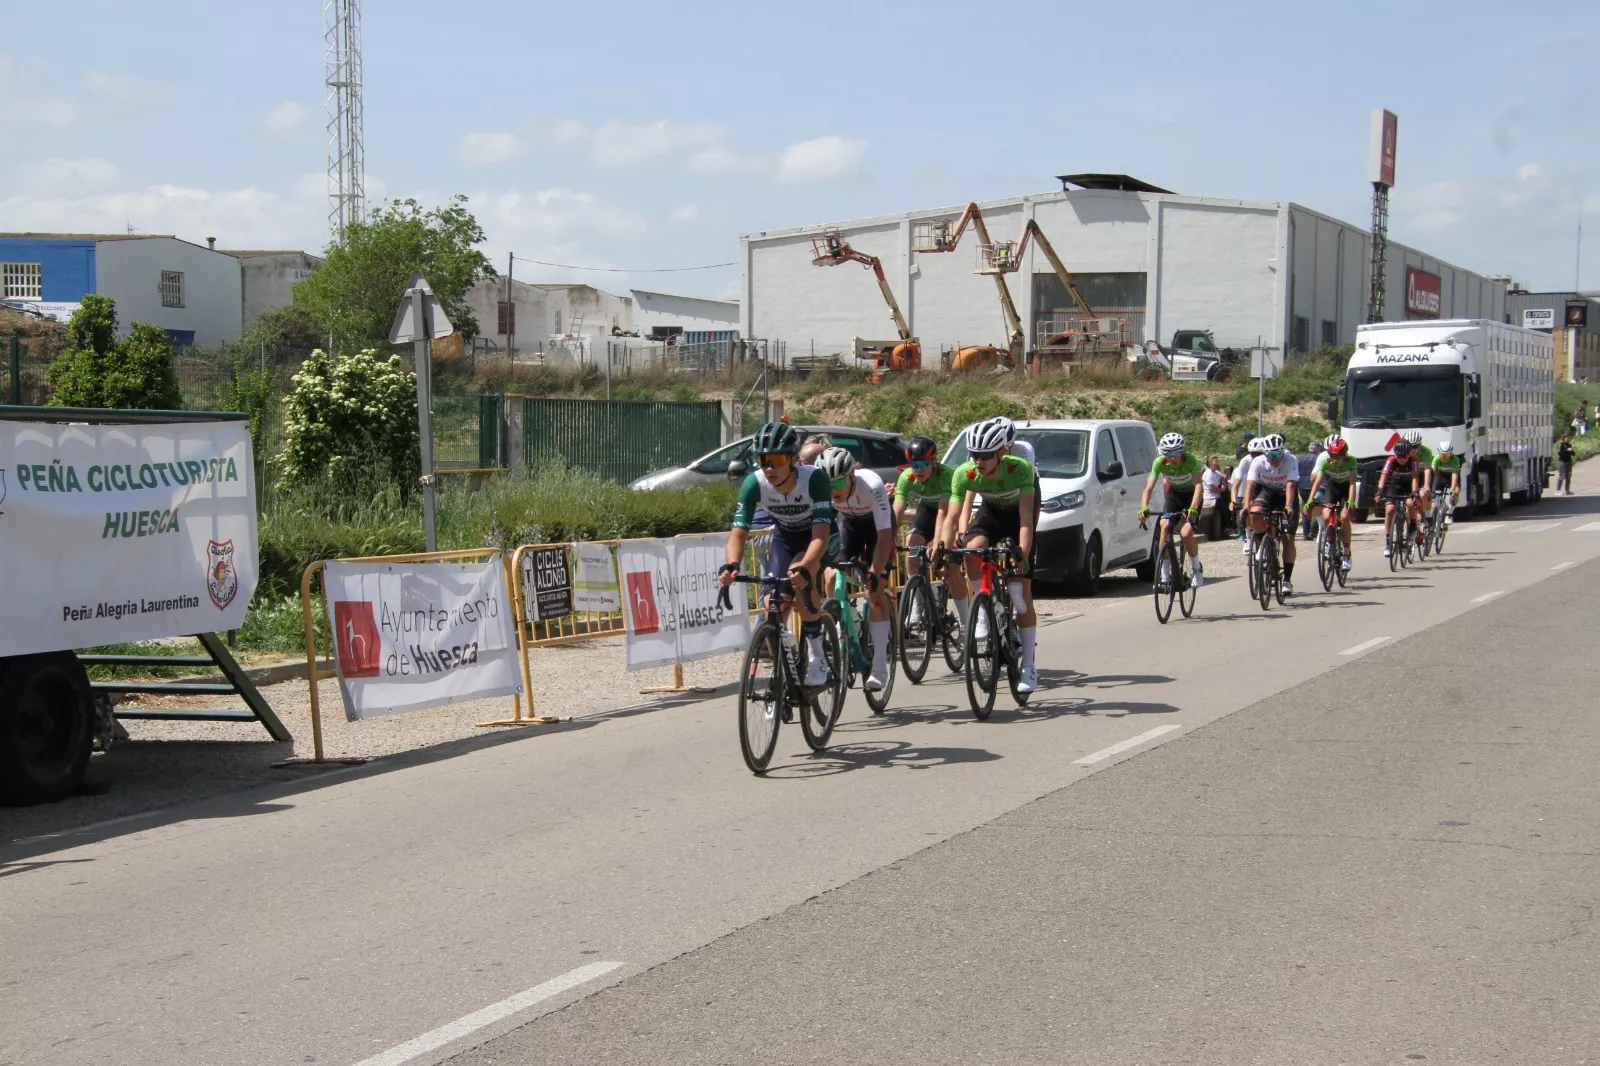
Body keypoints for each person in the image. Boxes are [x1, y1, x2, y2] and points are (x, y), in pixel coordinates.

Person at [719, 422, 834, 686]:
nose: (769, 468)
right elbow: (738, 533)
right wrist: (732, 564)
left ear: (793, 459)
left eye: (776, 459)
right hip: (785, 535)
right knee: (773, 601)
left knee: (799, 575)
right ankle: (786, 668)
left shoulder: (814, 479)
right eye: (763, 460)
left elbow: (821, 535)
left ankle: (818, 656)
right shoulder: (754, 483)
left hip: (817, 536)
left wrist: (806, 564)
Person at [945, 418, 1039, 693]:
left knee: (1020, 597)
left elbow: (1025, 518)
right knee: (971, 551)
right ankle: (983, 610)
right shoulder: (965, 473)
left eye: (985, 455)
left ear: (1002, 452)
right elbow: (952, 516)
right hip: (991, 512)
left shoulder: (1019, 469)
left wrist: (1021, 554)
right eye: (974, 455)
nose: (979, 461)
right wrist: (945, 544)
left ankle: (1029, 668)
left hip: (1018, 516)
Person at [815, 445, 896, 692]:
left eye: (838, 485)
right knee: (830, 578)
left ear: (852, 476)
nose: (833, 492)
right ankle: (846, 621)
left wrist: (874, 571)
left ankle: (880, 666)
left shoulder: (871, 485)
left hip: (876, 528)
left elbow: (884, 538)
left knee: (874, 592)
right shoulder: (824, 490)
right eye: (828, 486)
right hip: (848, 523)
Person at [893, 435, 967, 628]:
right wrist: (889, 539)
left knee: (949, 568)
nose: (918, 469)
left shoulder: (945, 475)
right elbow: (897, 511)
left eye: (924, 463)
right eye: (913, 464)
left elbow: (943, 513)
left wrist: (937, 545)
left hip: (950, 512)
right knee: (912, 545)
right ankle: (920, 606)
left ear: (934, 462)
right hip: (927, 509)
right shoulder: (906, 477)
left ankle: (967, 620)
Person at [1137, 432, 1206, 588]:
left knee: (1186, 533)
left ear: (1181, 452)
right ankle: (1164, 574)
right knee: (1164, 525)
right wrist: (1143, 507)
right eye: (1168, 453)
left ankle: (1196, 568)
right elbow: (1148, 488)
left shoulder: (1191, 460)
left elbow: (1198, 487)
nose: (1172, 458)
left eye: (1175, 453)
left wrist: (1193, 509)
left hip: (1192, 497)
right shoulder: (1159, 462)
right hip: (1174, 496)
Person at [1241, 432, 1299, 596]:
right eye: (1271, 454)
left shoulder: (1291, 460)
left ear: (1283, 451)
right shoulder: (1258, 461)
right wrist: (1246, 506)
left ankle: (1287, 580)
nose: (1275, 457)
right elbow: (1250, 485)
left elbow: (1291, 485)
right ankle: (1264, 542)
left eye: (1278, 453)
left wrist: (1288, 505)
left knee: (1288, 538)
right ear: (1265, 453)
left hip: (1285, 494)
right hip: (1266, 491)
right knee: (1255, 512)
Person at [1303, 434, 1357, 573]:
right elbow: (1318, 481)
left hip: (1346, 489)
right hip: (1332, 487)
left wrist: (1351, 500)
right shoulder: (1326, 461)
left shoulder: (1351, 461)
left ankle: (1346, 552)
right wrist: (1311, 499)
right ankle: (1329, 540)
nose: (1335, 460)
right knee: (1326, 515)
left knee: (1344, 517)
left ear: (1345, 455)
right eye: (1333, 456)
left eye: (1338, 457)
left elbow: (1352, 483)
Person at [1377, 437, 1424, 558]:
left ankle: (1412, 524)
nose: (1402, 459)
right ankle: (1388, 542)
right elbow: (1384, 475)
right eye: (1400, 456)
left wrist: (1414, 492)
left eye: (1405, 456)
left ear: (1409, 454)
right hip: (1395, 485)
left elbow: (1415, 478)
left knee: (1409, 503)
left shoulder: (1414, 461)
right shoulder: (1391, 460)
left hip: (1408, 486)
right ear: (1396, 454)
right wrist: (1379, 491)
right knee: (1390, 510)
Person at [1231, 438, 1266, 552]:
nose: (1255, 456)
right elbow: (1235, 485)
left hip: (1266, 487)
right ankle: (1249, 536)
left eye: (1258, 454)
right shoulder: (1246, 460)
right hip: (1252, 488)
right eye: (1252, 454)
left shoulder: (1268, 459)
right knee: (1246, 508)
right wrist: (1233, 500)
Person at [1426, 439, 1463, 519]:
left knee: (1456, 491)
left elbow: (1455, 474)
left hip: (1451, 475)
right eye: (1443, 455)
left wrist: (1452, 489)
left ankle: (1450, 513)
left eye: (1447, 455)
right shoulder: (1436, 459)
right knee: (1433, 494)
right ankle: (1432, 515)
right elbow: (1433, 472)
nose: (1445, 457)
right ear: (1439, 454)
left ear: (1451, 453)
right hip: (1440, 475)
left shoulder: (1455, 459)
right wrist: (1430, 486)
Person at [1297, 439, 1323, 539]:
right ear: (1318, 448)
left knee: (1305, 507)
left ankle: (1305, 533)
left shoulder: (1300, 458)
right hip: (1315, 486)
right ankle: (1313, 531)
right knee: (1316, 507)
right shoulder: (1319, 458)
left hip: (1302, 487)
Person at [1201, 456, 1226, 540]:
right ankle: (1227, 526)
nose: (1217, 463)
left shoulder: (1216, 472)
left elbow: (1224, 478)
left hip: (1216, 496)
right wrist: (1221, 489)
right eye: (1215, 462)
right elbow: (1211, 488)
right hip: (1210, 498)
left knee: (1227, 499)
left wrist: (1225, 475)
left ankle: (1226, 527)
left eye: (1217, 462)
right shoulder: (1209, 473)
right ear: (1210, 464)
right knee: (1225, 506)